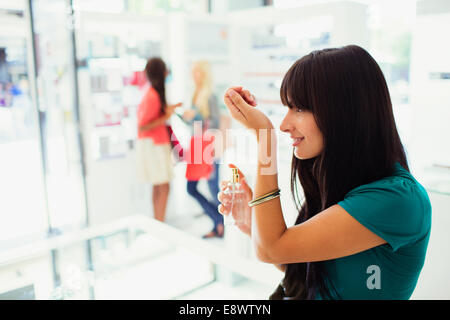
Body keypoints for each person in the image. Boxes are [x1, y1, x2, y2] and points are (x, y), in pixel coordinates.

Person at [217, 45, 432, 300]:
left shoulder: (398, 201)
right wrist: (254, 224)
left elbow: (272, 250)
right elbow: (299, 269)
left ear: (344, 112)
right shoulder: (340, 180)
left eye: (298, 108)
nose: (284, 125)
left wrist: (265, 138)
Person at [182, 60, 224, 239]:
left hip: (209, 147)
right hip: (198, 145)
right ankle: (219, 220)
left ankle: (219, 224)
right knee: (191, 188)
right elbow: (196, 124)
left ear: (204, 74)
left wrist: (196, 116)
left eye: (196, 72)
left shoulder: (210, 96)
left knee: (213, 189)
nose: (193, 76)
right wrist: (187, 118)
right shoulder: (195, 94)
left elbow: (215, 122)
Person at [137, 57, 181, 222]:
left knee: (158, 185)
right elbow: (142, 126)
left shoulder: (152, 94)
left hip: (154, 144)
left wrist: (169, 110)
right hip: (155, 145)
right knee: (163, 185)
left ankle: (158, 222)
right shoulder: (152, 95)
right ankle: (160, 223)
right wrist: (166, 116)